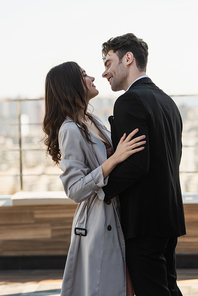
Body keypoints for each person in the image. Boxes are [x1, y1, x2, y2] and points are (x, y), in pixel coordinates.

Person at [43, 61, 146, 296]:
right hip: (98, 223)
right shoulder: (70, 129)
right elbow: (75, 189)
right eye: (84, 75)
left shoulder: (92, 120)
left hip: (114, 216)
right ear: (71, 86)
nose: (92, 78)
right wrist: (114, 159)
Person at [101, 33, 186, 296]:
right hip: (168, 215)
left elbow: (137, 164)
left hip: (143, 220)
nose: (105, 72)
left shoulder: (129, 101)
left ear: (128, 58)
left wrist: (100, 191)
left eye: (108, 62)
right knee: (169, 288)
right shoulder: (167, 101)